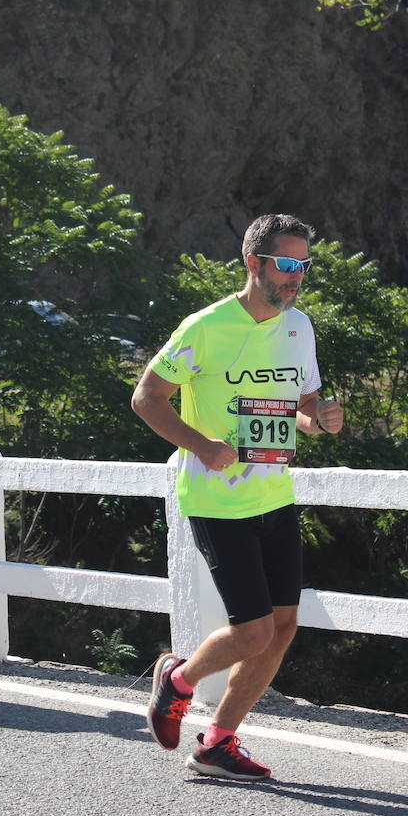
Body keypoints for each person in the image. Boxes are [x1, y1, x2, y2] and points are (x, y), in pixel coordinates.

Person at [131, 213, 344, 780]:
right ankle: (176, 680)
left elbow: (303, 414)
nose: (298, 275)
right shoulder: (204, 327)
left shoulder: (299, 327)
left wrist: (323, 420)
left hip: (274, 494)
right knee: (252, 630)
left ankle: (218, 741)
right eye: (288, 263)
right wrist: (201, 444)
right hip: (216, 500)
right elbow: (147, 398)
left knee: (283, 626)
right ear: (254, 263)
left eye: (305, 264)